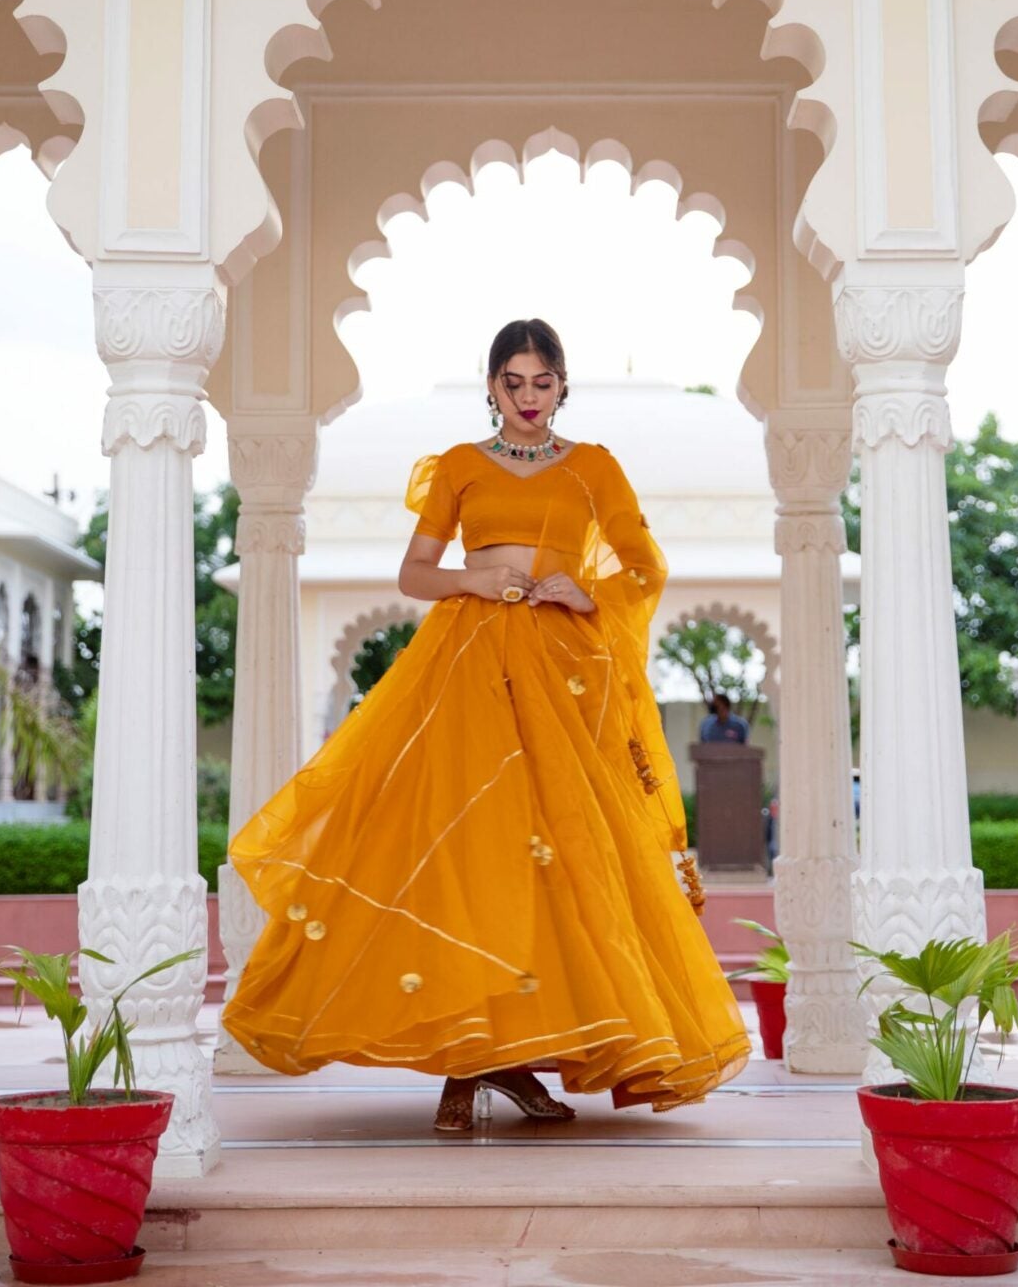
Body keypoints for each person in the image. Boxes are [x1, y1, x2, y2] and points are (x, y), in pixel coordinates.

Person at [223, 318, 749, 1135]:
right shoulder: (462, 468)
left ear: (563, 384)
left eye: (543, 383)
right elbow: (414, 572)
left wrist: (586, 594)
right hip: (467, 665)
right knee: (465, 850)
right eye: (514, 382)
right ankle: (470, 1061)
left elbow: (644, 567)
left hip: (563, 675)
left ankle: (521, 1059)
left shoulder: (595, 468)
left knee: (559, 860)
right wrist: (480, 577)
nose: (529, 398)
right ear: (493, 385)